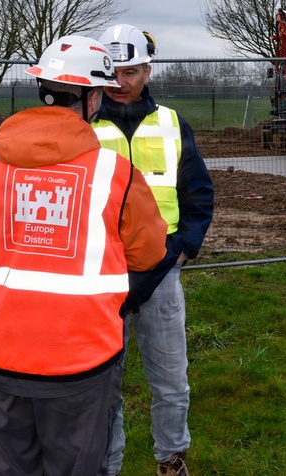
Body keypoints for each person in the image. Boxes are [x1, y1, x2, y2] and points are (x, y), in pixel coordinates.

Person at [0, 35, 168, 476]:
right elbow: (149, 252)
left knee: (8, 467)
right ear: (92, 97)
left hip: (3, 356)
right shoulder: (114, 173)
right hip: (82, 363)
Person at [93, 23, 214, 476]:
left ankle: (171, 458)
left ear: (147, 69)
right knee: (104, 384)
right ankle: (106, 465)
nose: (121, 83)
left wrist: (184, 248)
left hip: (162, 271)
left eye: (130, 71)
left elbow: (199, 193)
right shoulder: (82, 123)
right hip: (100, 274)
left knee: (171, 381)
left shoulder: (170, 122)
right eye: (113, 73)